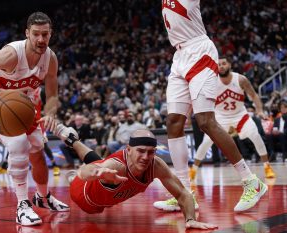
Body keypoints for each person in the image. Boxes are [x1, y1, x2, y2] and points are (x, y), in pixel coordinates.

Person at [0, 12, 69, 226]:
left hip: (28, 107)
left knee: (37, 148)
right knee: (19, 143)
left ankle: (43, 197)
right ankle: (22, 205)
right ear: (27, 33)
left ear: (51, 34)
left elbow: (53, 94)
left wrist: (51, 112)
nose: (41, 39)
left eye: (45, 34)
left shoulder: (50, 58)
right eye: (36, 34)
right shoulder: (10, 55)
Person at [154, 1, 267, 213]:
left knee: (205, 121)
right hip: (179, 56)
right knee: (173, 122)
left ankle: (251, 182)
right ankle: (184, 193)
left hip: (200, 52)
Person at [53, 124, 217, 230]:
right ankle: (72, 176)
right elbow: (87, 171)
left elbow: (183, 193)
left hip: (104, 191)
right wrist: (94, 173)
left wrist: (190, 219)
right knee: (99, 165)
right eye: (141, 151)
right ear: (129, 149)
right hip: (83, 195)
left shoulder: (156, 165)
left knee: (98, 160)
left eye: (151, 152)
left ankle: (71, 139)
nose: (146, 157)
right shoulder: (116, 166)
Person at [189, 57, 276, 180]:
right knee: (206, 142)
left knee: (256, 136)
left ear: (229, 65)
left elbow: (254, 96)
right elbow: (204, 101)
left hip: (240, 116)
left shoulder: (241, 79)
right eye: (219, 64)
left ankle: (267, 166)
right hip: (220, 118)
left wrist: (260, 110)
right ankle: (193, 170)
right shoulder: (212, 82)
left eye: (224, 63)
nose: (221, 66)